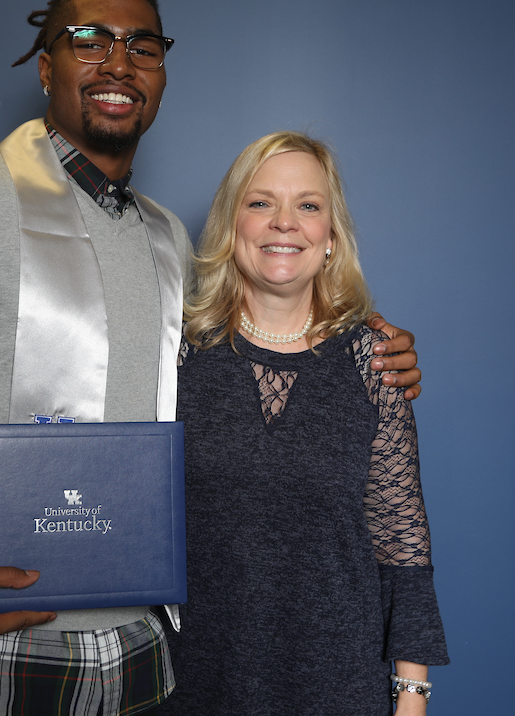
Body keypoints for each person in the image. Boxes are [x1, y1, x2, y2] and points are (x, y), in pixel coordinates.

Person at [0, 0, 422, 716]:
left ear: (161, 76)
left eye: (142, 47)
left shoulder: (165, 241)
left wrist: (364, 339)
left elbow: (256, 318)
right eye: (90, 40)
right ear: (45, 65)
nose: (118, 63)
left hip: (140, 663)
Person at [162, 132, 448, 716]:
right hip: (193, 683)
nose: (285, 222)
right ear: (231, 225)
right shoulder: (175, 356)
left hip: (339, 687)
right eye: (260, 202)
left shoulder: (374, 362)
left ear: (331, 237)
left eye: (308, 205)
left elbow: (402, 543)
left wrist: (412, 697)